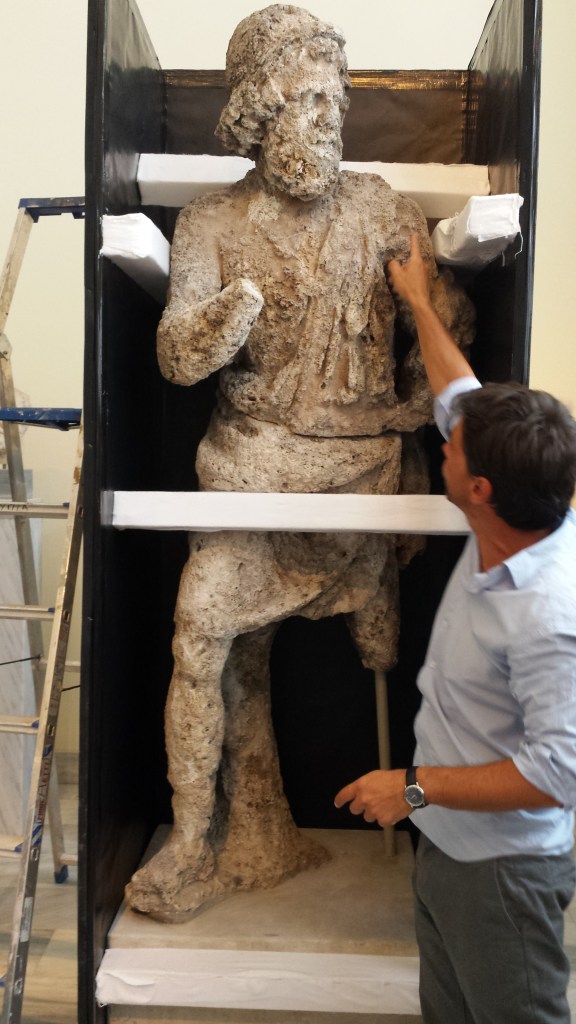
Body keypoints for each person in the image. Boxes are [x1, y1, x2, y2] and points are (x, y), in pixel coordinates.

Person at [124, 5, 474, 922]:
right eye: (308, 100)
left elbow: (445, 334)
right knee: (202, 628)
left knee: (379, 654)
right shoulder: (211, 223)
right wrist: (223, 319)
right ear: (256, 109)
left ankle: (295, 829)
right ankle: (195, 843)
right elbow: (176, 357)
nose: (330, 117)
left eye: (337, 100)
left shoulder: (380, 208)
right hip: (249, 468)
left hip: (360, 474)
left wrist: (411, 399)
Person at [335, 233, 576, 1024]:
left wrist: (413, 788)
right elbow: (458, 391)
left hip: (502, 874)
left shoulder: (550, 612)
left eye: (454, 448)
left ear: (478, 490)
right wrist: (416, 298)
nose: (445, 438)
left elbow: (558, 773)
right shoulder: (515, 511)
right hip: (448, 843)